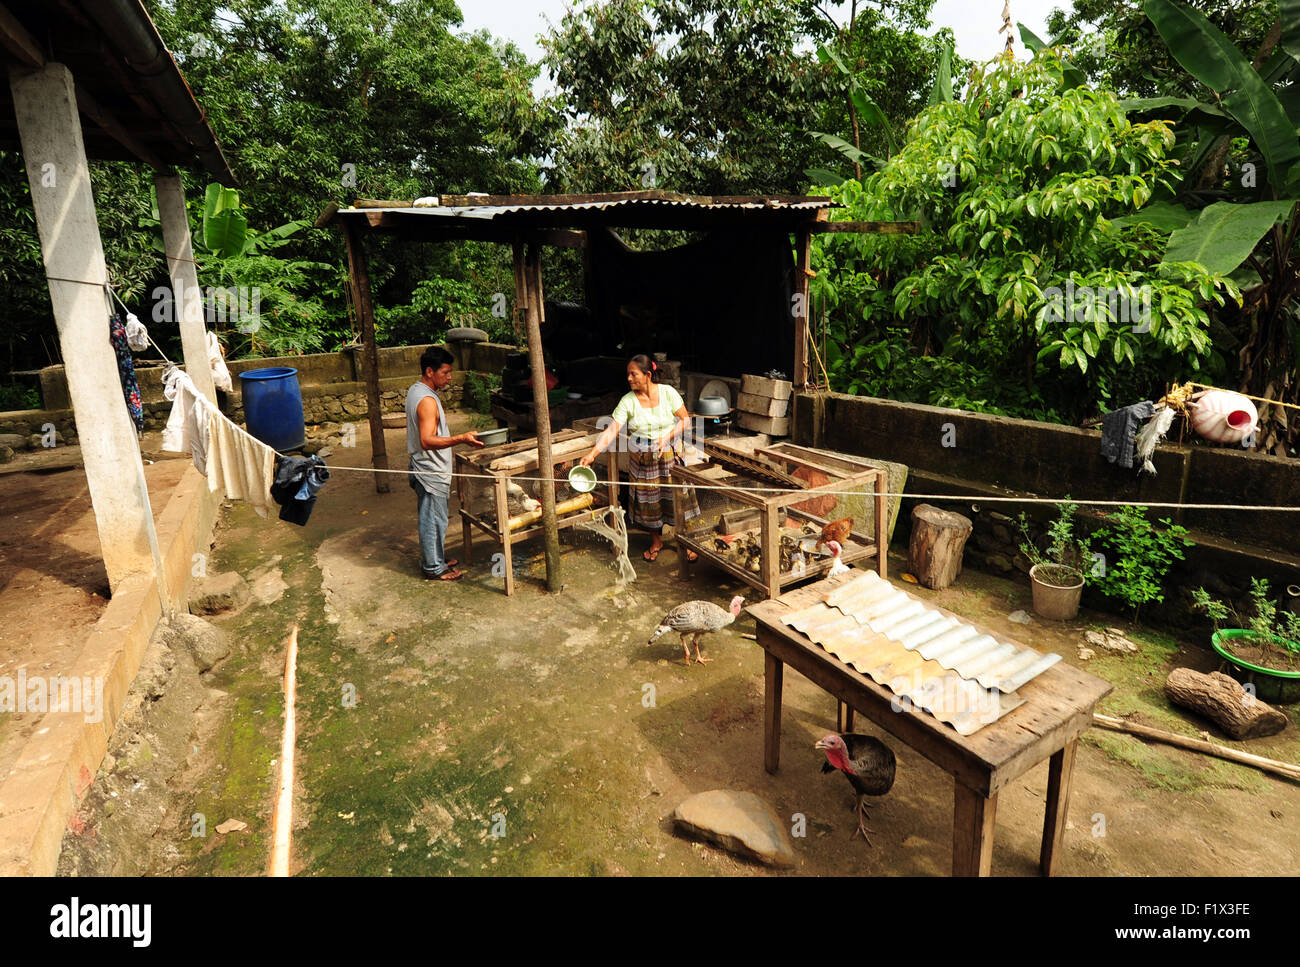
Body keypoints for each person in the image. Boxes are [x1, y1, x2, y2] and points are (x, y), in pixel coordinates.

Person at [580, 354, 700, 562]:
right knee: (648, 503)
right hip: (643, 460)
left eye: (633, 374)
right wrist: (592, 455)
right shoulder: (628, 402)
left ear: (647, 375)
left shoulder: (667, 393)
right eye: (628, 374)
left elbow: (685, 421)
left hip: (669, 453)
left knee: (679, 497)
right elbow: (611, 431)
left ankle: (687, 540)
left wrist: (665, 437)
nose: (629, 378)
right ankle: (656, 541)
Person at [407, 347, 483, 581]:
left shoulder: (415, 389)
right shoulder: (427, 400)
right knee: (433, 519)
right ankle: (433, 568)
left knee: (436, 518)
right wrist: (461, 439)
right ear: (430, 371)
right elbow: (427, 440)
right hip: (429, 470)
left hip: (423, 466)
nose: (450, 377)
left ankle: (436, 557)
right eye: (446, 372)